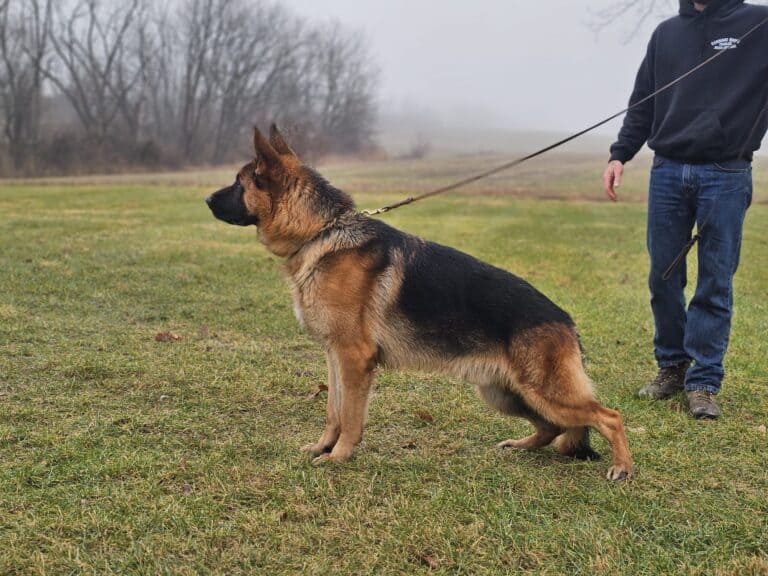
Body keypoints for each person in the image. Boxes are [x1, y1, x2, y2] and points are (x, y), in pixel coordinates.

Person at [603, 0, 767, 419]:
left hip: (726, 172)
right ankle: (672, 367)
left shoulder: (758, 22)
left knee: (715, 283)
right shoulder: (667, 33)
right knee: (663, 275)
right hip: (668, 171)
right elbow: (643, 100)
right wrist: (620, 153)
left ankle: (704, 382)